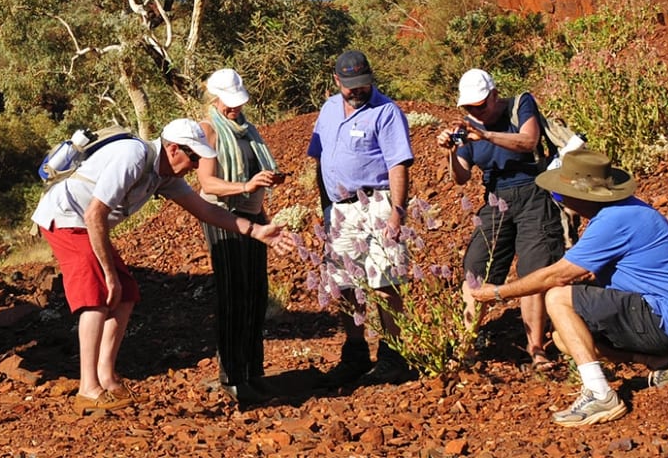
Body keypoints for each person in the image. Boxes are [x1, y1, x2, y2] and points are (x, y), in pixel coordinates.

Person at [32, 117, 291, 415]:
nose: (195, 166)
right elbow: (94, 214)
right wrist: (108, 273)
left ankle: (107, 379)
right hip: (65, 218)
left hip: (87, 222)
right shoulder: (133, 156)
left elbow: (204, 209)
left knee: (126, 294)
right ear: (172, 149)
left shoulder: (165, 177)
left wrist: (255, 230)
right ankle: (88, 389)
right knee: (97, 297)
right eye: (193, 157)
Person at [470, 147, 668, 428]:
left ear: (583, 196)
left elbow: (556, 277)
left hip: (666, 318)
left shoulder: (615, 219)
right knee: (564, 337)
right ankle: (662, 362)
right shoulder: (624, 211)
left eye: (559, 194)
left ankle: (600, 394)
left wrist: (497, 293)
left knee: (558, 298)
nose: (558, 199)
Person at [436, 69, 565, 369]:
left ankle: (536, 348)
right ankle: (467, 345)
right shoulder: (467, 127)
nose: (475, 112)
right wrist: (453, 152)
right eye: (469, 108)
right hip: (496, 198)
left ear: (495, 95)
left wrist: (486, 135)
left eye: (481, 105)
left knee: (534, 269)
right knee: (476, 267)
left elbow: (528, 141)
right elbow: (462, 176)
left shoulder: (520, 104)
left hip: (534, 191)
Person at [307, 50, 415, 386]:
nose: (358, 90)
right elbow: (319, 157)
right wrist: (325, 207)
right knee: (343, 285)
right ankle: (354, 353)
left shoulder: (386, 112)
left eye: (363, 84)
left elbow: (398, 164)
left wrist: (397, 214)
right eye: (350, 85)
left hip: (378, 203)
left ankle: (393, 356)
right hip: (339, 208)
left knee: (386, 282)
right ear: (337, 81)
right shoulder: (327, 110)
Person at [195, 68, 285, 405]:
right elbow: (207, 183)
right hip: (223, 216)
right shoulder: (208, 132)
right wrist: (246, 186)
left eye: (237, 102)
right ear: (213, 99)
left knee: (256, 293)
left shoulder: (249, 130)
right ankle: (232, 374)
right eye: (228, 103)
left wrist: (265, 183)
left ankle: (253, 370)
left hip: (254, 213)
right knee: (234, 294)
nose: (234, 109)